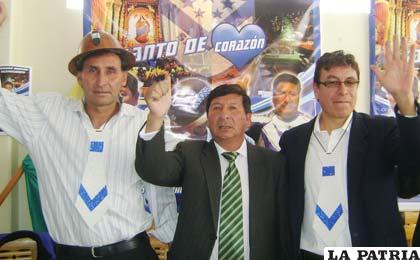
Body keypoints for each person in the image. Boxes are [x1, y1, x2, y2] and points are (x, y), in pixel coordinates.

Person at [0, 30, 177, 260]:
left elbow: (160, 186)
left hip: (131, 253)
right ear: (79, 77)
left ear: (124, 78)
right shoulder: (46, 115)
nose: (102, 81)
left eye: (111, 71)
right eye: (92, 70)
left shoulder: (144, 122)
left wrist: (171, 235)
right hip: (70, 255)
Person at [279, 37, 420, 259]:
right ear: (316, 89)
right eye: (332, 82)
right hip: (308, 253)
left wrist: (405, 101)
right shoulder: (292, 141)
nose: (343, 90)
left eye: (350, 82)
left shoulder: (380, 131)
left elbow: (412, 181)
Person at [135, 83, 288, 259]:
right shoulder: (191, 153)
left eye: (233, 108)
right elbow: (153, 170)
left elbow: (284, 219)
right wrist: (155, 116)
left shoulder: (272, 163)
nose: (224, 115)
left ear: (248, 119)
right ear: (208, 118)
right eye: (217, 108)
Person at [259, 73, 311, 151]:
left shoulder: (310, 125)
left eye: (292, 94)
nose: (287, 100)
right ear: (273, 97)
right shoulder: (263, 128)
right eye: (282, 93)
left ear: (299, 97)